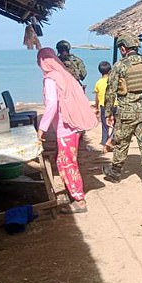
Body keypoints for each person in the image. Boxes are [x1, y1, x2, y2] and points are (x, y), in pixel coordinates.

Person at [36, 48, 97, 214]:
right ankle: (73, 193)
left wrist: (42, 129)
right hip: (75, 125)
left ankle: (79, 200)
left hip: (65, 127)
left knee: (66, 163)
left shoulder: (51, 79)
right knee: (67, 161)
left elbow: (52, 106)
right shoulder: (65, 75)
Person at [102, 33, 142, 191]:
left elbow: (110, 91)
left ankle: (115, 172)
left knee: (122, 143)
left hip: (127, 113)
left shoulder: (120, 66)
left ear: (123, 48)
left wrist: (108, 113)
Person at [93, 61, 114, 152]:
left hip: (103, 105)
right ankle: (111, 140)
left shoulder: (98, 83)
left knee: (105, 126)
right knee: (116, 125)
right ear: (110, 71)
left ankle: (104, 140)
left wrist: (96, 106)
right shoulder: (113, 81)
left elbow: (97, 97)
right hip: (115, 104)